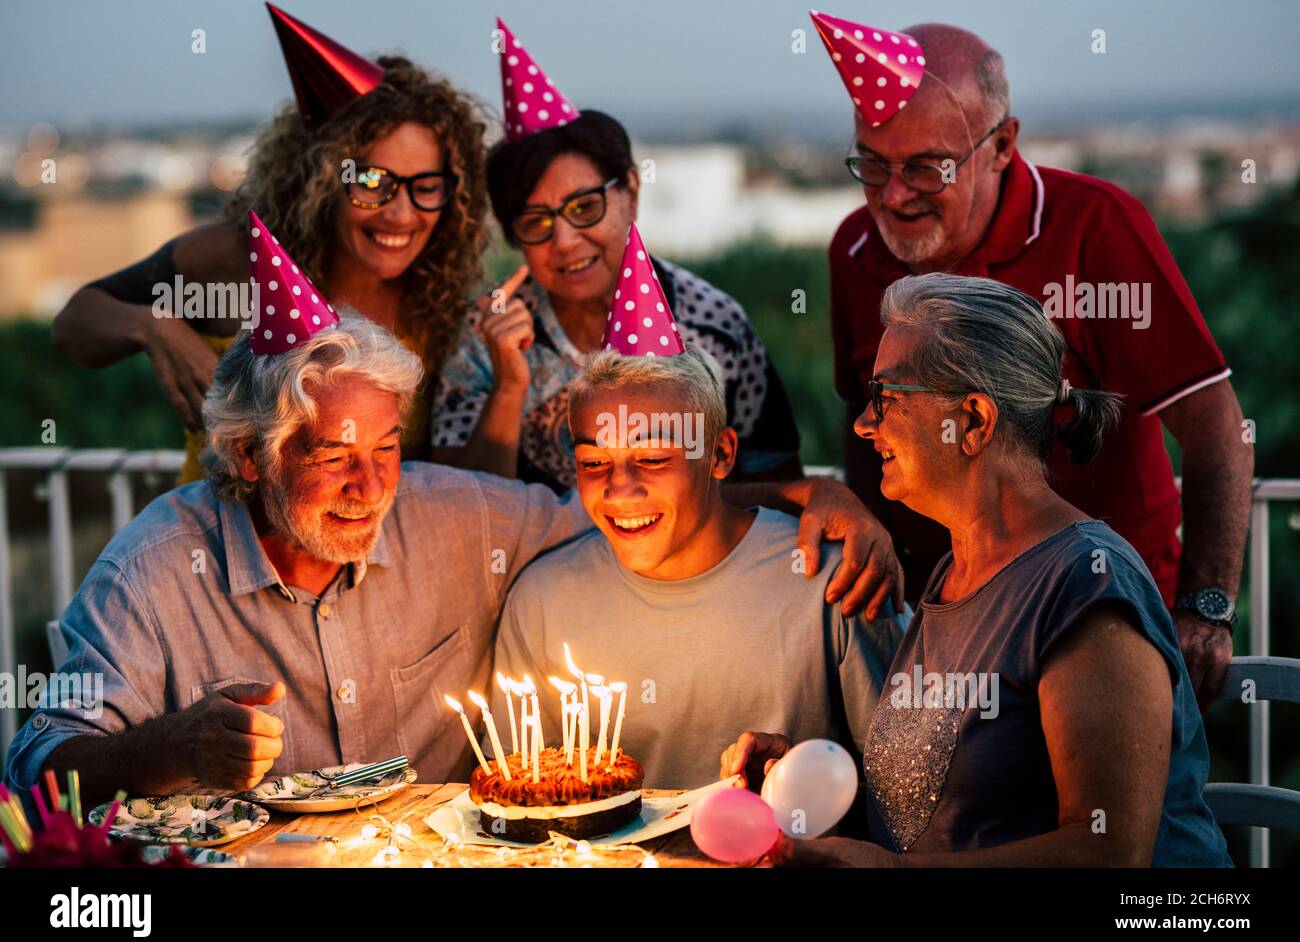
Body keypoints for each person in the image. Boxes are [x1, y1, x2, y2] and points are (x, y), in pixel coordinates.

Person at [5, 217, 904, 807]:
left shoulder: (458, 514)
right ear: (248, 456)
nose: (372, 485)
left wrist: (806, 492)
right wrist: (172, 748)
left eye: (386, 447)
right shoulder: (156, 565)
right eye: (331, 454)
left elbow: (625, 504)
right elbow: (33, 769)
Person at [811, 14, 1252, 709]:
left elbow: (1214, 419)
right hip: (940, 633)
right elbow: (861, 419)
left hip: (1099, 624)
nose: (892, 195)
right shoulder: (853, 251)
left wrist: (1205, 607)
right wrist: (877, 546)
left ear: (1003, 145)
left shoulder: (1097, 225)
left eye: (927, 165)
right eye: (872, 162)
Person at [723, 273, 1231, 867]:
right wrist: (800, 776)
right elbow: (951, 796)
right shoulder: (956, 571)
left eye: (885, 397)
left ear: (973, 421)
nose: (864, 424)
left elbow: (1109, 852)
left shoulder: (1087, 583)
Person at [51, 6, 489, 477]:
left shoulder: (432, 300)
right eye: (372, 181)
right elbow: (74, 326)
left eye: (425, 186)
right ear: (320, 179)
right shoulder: (236, 261)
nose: (400, 212)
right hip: (216, 545)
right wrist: (154, 326)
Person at [491, 337, 903, 787]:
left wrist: (808, 786)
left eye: (651, 458)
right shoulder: (542, 599)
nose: (620, 489)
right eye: (594, 462)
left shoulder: (835, 578)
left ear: (721, 454)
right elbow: (523, 794)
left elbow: (907, 792)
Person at [431, 20, 802, 489]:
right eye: (536, 221)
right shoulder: (484, 335)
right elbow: (457, 503)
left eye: (585, 207)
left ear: (630, 191)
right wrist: (508, 384)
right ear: (514, 235)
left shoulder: (714, 325)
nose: (564, 240)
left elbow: (775, 487)